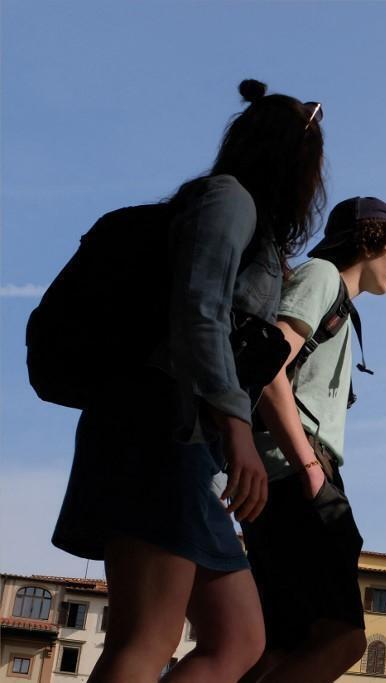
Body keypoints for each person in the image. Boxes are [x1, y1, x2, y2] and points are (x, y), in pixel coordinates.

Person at [51, 79, 326, 682]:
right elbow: (198, 313)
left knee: (238, 638)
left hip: (184, 443)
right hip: (158, 426)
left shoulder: (239, 213)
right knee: (145, 638)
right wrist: (239, 430)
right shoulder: (229, 200)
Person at [240, 197, 386, 683]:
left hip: (284, 472)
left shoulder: (329, 291)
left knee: (281, 646)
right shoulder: (322, 277)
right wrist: (312, 470)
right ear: (372, 242)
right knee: (343, 638)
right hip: (297, 471)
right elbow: (268, 366)